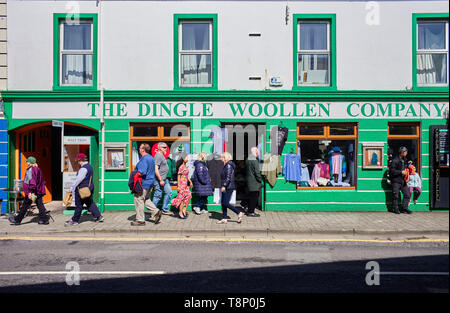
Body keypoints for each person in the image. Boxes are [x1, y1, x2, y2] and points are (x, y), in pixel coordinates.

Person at [64, 153, 104, 226]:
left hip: (81, 189)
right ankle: (99, 217)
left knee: (79, 205)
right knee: (90, 203)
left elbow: (78, 180)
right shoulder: (90, 167)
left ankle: (74, 220)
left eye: (78, 161)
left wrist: (71, 188)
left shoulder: (83, 169)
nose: (78, 163)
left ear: (80, 160)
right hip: (88, 189)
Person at [9, 157, 50, 225]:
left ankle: (17, 220)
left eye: (27, 161)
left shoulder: (31, 170)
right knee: (40, 205)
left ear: (30, 162)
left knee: (25, 206)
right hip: (38, 191)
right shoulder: (37, 169)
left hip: (32, 192)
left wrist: (30, 192)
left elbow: (32, 182)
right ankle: (44, 220)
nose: (26, 162)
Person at [131, 143, 161, 226]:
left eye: (140, 148)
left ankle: (140, 220)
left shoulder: (144, 159)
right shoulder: (151, 158)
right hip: (150, 182)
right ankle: (156, 211)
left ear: (143, 150)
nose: (139, 149)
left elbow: (142, 172)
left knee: (139, 200)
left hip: (143, 183)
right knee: (146, 199)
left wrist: (135, 174)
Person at [217, 152, 244, 224]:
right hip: (226, 186)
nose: (221, 159)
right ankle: (224, 218)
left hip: (228, 187)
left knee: (225, 203)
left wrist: (224, 186)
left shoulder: (228, 165)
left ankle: (238, 212)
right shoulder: (226, 165)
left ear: (225, 158)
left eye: (222, 157)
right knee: (223, 203)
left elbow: (228, 177)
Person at [389, 146, 412, 214]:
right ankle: (395, 208)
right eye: (405, 152)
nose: (406, 153)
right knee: (395, 195)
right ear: (402, 153)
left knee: (407, 194)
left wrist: (408, 165)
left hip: (403, 180)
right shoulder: (395, 160)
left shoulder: (404, 159)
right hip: (396, 181)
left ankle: (404, 208)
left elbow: (404, 167)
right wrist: (401, 172)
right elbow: (391, 171)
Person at [152, 142, 173, 215]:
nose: (166, 149)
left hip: (165, 179)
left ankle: (165, 209)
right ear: (160, 148)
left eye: (166, 147)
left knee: (169, 192)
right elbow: (156, 169)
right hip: (159, 179)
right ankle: (153, 211)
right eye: (164, 147)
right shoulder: (158, 156)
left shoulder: (161, 156)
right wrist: (160, 179)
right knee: (158, 195)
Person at [171, 153, 192, 219]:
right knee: (182, 200)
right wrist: (179, 186)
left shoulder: (185, 166)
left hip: (186, 184)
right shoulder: (181, 167)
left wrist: (190, 181)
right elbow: (178, 176)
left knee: (189, 196)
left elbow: (186, 176)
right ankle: (180, 212)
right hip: (182, 184)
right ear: (183, 159)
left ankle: (184, 209)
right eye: (186, 157)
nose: (187, 159)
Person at [245, 147, 262, 217]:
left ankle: (249, 210)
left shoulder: (247, 159)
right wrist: (260, 180)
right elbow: (257, 172)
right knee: (254, 197)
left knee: (250, 196)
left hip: (249, 181)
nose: (258, 153)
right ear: (256, 152)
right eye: (257, 152)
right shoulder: (254, 160)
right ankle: (251, 212)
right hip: (254, 182)